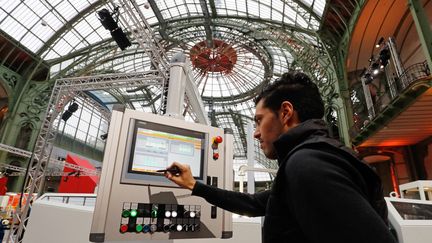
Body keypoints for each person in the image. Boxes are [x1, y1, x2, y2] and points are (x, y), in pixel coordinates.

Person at [165, 71, 397, 243]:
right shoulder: (311, 158)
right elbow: (254, 204)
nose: (256, 132)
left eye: (259, 120)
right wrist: (194, 185)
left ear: (285, 112)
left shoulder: (308, 164)